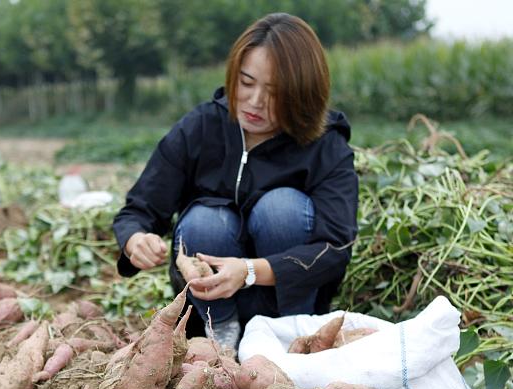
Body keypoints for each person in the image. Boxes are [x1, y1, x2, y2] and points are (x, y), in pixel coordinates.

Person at [112, 13, 358, 351]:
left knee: (280, 208)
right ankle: (221, 337)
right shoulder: (201, 127)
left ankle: (289, 338)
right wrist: (136, 238)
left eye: (274, 92)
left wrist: (250, 270)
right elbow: (138, 209)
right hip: (211, 304)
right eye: (246, 82)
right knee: (203, 221)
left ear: (302, 93)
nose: (255, 101)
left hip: (287, 304)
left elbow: (335, 248)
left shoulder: (327, 147)